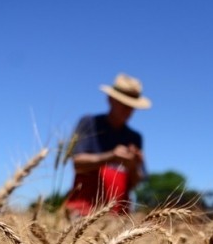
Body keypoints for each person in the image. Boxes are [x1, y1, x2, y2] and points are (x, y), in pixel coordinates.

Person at [64, 73, 152, 216]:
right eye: (124, 104)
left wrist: (133, 167)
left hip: (119, 216)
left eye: (132, 106)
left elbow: (135, 183)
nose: (128, 110)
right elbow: (77, 163)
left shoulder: (135, 138)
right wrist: (111, 156)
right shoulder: (90, 123)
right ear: (110, 99)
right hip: (83, 211)